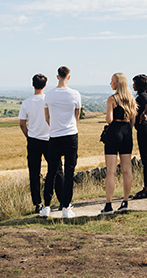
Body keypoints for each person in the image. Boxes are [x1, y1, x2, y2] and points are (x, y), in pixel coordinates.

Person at [18, 74, 65, 214]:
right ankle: (62, 201)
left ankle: (38, 203)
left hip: (33, 140)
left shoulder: (26, 102)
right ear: (45, 85)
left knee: (34, 172)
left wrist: (29, 136)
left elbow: (22, 124)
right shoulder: (50, 100)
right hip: (50, 139)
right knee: (57, 170)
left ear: (33, 85)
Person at [40, 66, 81, 218]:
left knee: (52, 171)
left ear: (57, 76)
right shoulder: (75, 94)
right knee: (69, 172)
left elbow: (47, 117)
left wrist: (56, 126)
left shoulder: (49, 95)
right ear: (68, 77)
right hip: (70, 135)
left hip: (54, 136)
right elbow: (77, 115)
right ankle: (65, 207)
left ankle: (46, 207)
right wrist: (69, 125)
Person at [101, 73, 137, 214]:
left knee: (111, 171)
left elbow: (109, 119)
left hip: (114, 133)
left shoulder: (112, 99)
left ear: (118, 83)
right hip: (127, 133)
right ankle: (125, 202)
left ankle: (108, 204)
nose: (110, 83)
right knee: (127, 170)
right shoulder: (131, 99)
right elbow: (133, 122)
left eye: (112, 81)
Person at [132, 74, 147, 199]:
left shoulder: (142, 96)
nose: (133, 85)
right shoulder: (143, 95)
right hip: (144, 128)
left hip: (143, 129)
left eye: (135, 83)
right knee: (146, 158)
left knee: (145, 158)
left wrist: (143, 114)